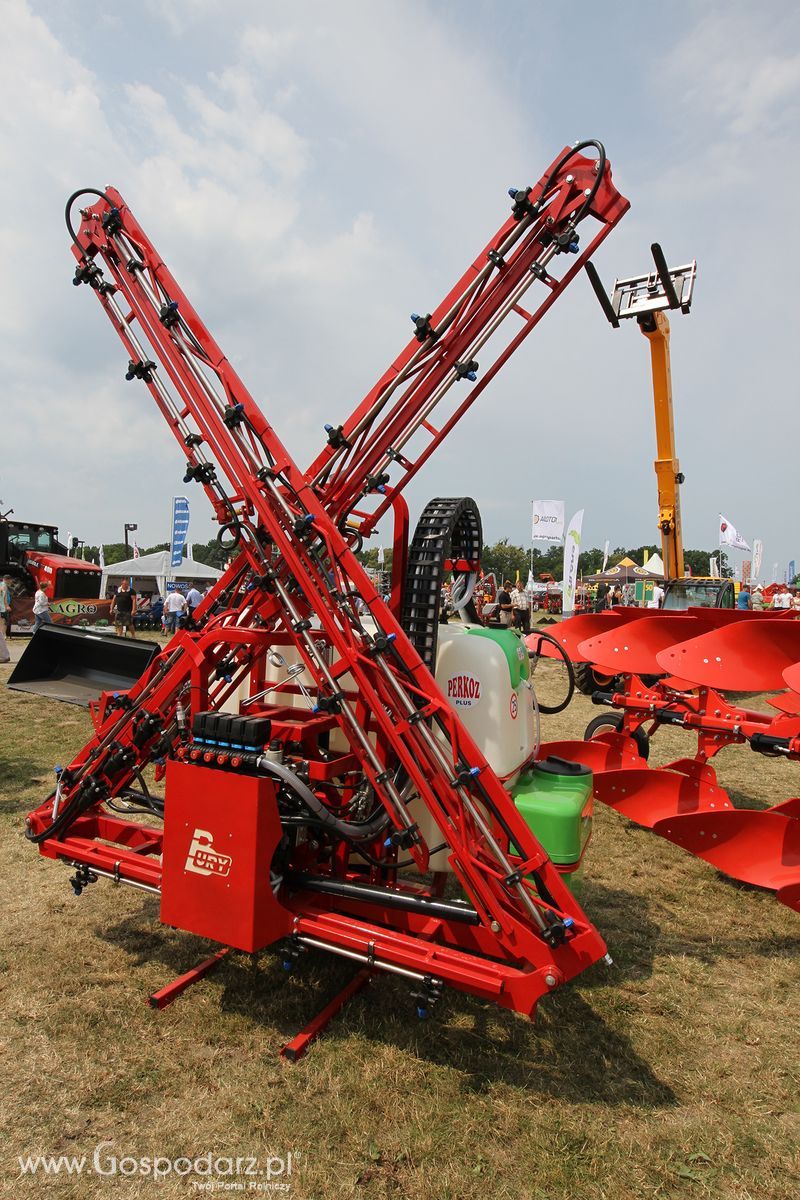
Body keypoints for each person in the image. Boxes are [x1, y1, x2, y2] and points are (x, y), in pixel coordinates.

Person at [0, 574, 10, 639]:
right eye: (10, 580)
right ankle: (3, 635)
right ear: (7, 580)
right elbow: (4, 598)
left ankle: (3, 634)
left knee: (3, 621)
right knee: (3, 621)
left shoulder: (3, 585)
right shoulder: (3, 586)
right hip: (3, 607)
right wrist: (7, 606)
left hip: (3, 606)